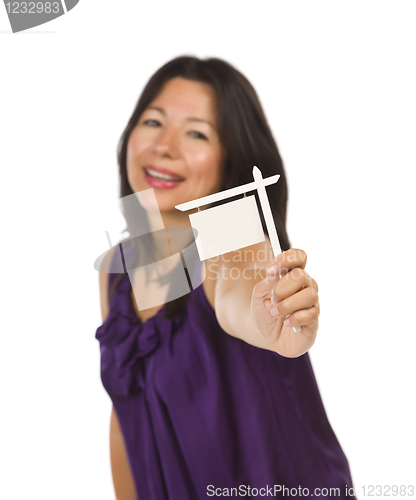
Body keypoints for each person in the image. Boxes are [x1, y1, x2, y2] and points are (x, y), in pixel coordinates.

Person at [96, 56, 355, 500]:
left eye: (197, 132)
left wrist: (268, 314)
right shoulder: (121, 267)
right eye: (154, 121)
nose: (165, 145)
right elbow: (128, 415)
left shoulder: (233, 234)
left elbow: (240, 294)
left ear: (230, 158)